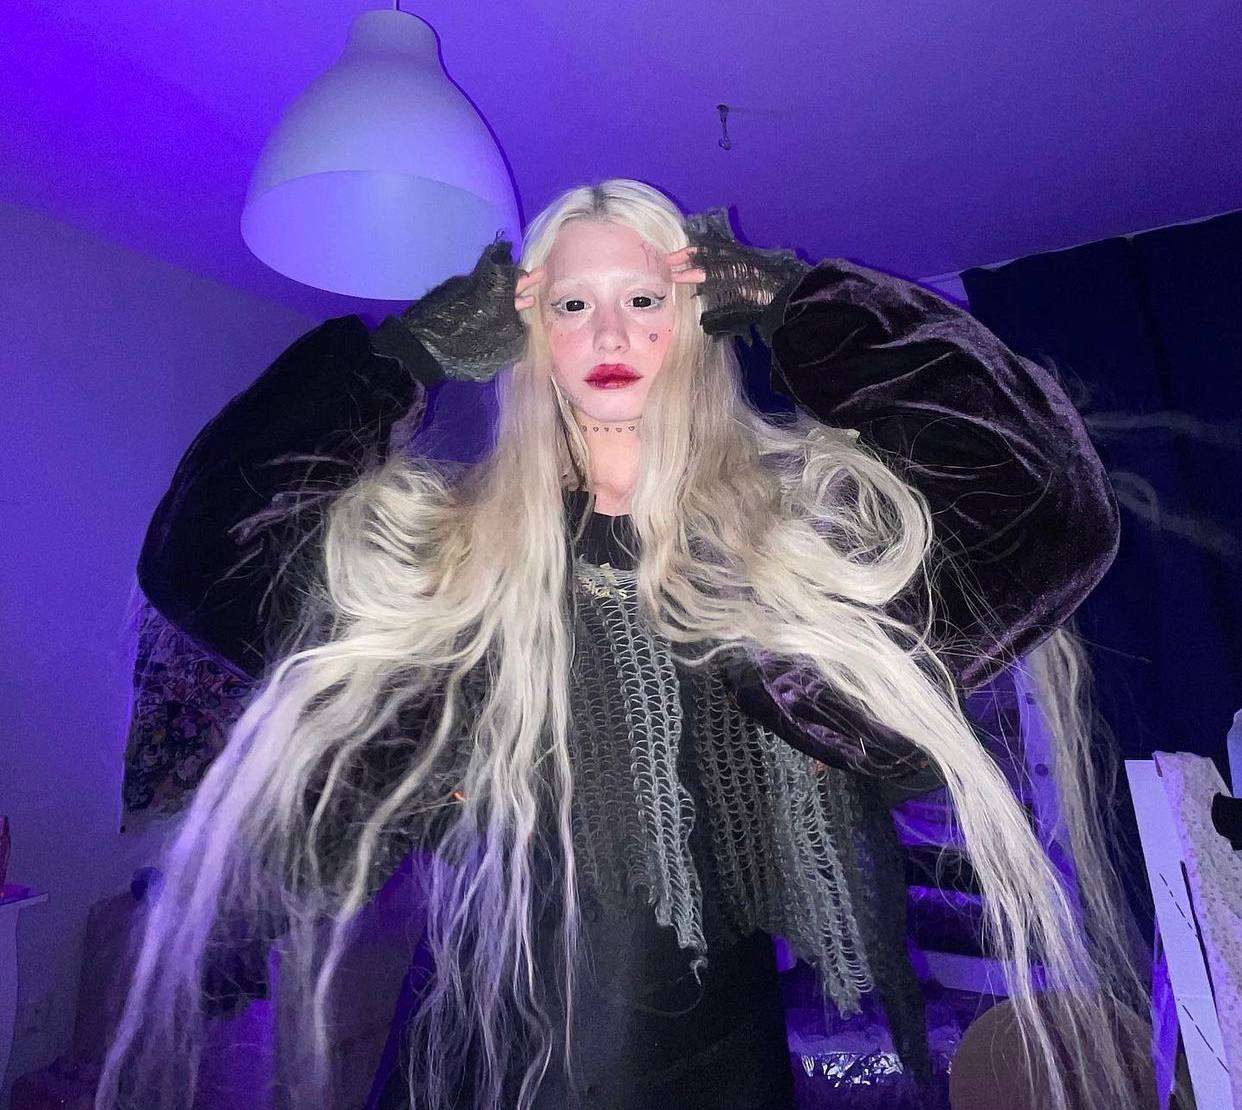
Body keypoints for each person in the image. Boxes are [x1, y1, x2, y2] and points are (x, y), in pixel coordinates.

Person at [98, 179, 1146, 1110]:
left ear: (694, 319)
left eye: (644, 299)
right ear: (529, 337)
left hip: (713, 1065)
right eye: (571, 305)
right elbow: (203, 551)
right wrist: (405, 356)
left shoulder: (790, 550)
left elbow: (1048, 505)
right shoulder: (455, 558)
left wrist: (797, 301)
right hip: (475, 1058)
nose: (609, 331)